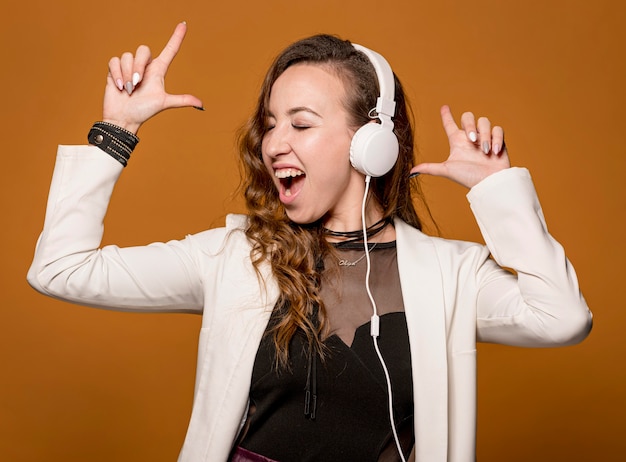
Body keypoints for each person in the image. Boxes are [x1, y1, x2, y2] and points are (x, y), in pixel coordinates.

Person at [27, 22, 592, 462]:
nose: (274, 142)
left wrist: (498, 193)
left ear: (371, 142)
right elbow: (61, 268)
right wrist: (115, 132)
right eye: (270, 123)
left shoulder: (452, 275)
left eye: (300, 124)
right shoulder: (237, 257)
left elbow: (561, 318)